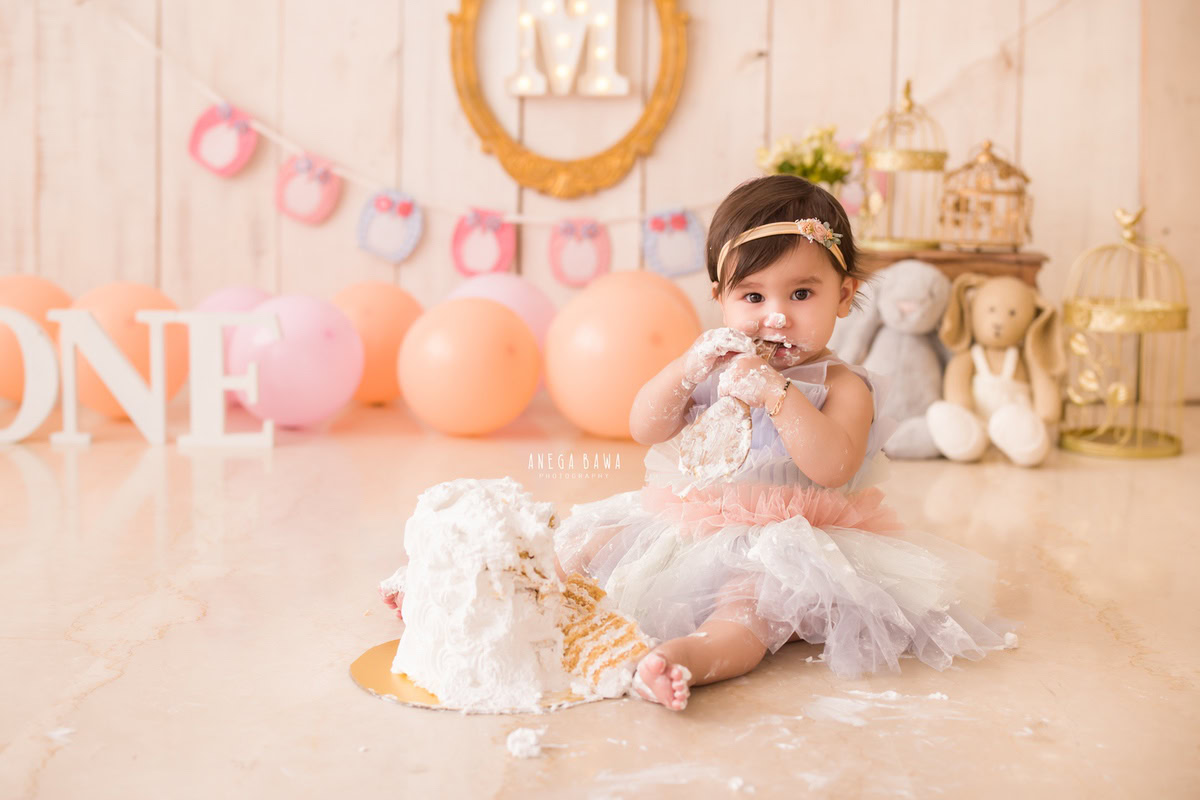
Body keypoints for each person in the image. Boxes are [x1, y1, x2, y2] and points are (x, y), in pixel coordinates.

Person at [553, 174, 1018, 710]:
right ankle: (525, 588)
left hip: (787, 543)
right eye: (753, 296)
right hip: (695, 517)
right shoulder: (717, 365)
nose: (776, 316)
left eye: (801, 294)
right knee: (595, 543)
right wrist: (686, 370)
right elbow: (645, 427)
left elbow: (832, 465)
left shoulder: (843, 386)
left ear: (843, 296)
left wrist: (778, 395)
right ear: (720, 299)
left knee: (748, 608)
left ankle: (687, 659)